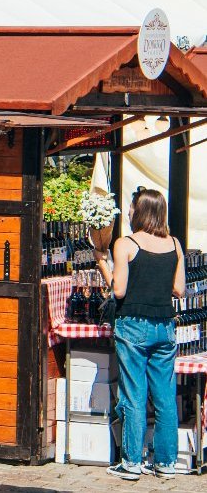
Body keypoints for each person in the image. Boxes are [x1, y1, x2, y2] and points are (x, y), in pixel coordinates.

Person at [108, 188, 188, 480]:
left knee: (134, 395)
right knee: (166, 397)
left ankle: (131, 462)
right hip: (165, 325)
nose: (128, 212)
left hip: (133, 324)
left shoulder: (125, 244)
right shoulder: (175, 244)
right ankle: (166, 463)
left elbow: (119, 290)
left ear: (140, 211)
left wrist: (105, 267)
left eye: (131, 208)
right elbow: (179, 289)